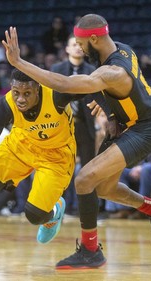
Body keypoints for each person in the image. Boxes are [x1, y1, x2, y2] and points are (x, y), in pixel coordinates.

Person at [2, 13, 151, 269]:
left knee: (84, 179)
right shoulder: (122, 50)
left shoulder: (113, 71)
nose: (81, 51)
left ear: (93, 38)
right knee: (104, 188)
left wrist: (19, 62)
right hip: (129, 124)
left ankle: (90, 250)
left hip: (144, 129)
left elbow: (66, 84)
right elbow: (127, 91)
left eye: (82, 45)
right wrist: (111, 109)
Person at [0, 68, 84, 267]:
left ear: (38, 89)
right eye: (16, 92)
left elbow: (95, 86)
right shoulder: (5, 105)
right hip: (21, 146)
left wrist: (112, 113)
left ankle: (55, 210)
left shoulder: (57, 94)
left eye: (27, 93)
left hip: (56, 155)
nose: (20, 99)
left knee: (34, 216)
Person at [50, 34, 98, 215]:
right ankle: (60, 208)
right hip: (62, 126)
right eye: (74, 44)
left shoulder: (92, 70)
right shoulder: (57, 68)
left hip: (85, 126)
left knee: (88, 170)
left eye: (80, 45)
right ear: (67, 49)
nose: (78, 47)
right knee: (62, 167)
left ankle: (86, 210)